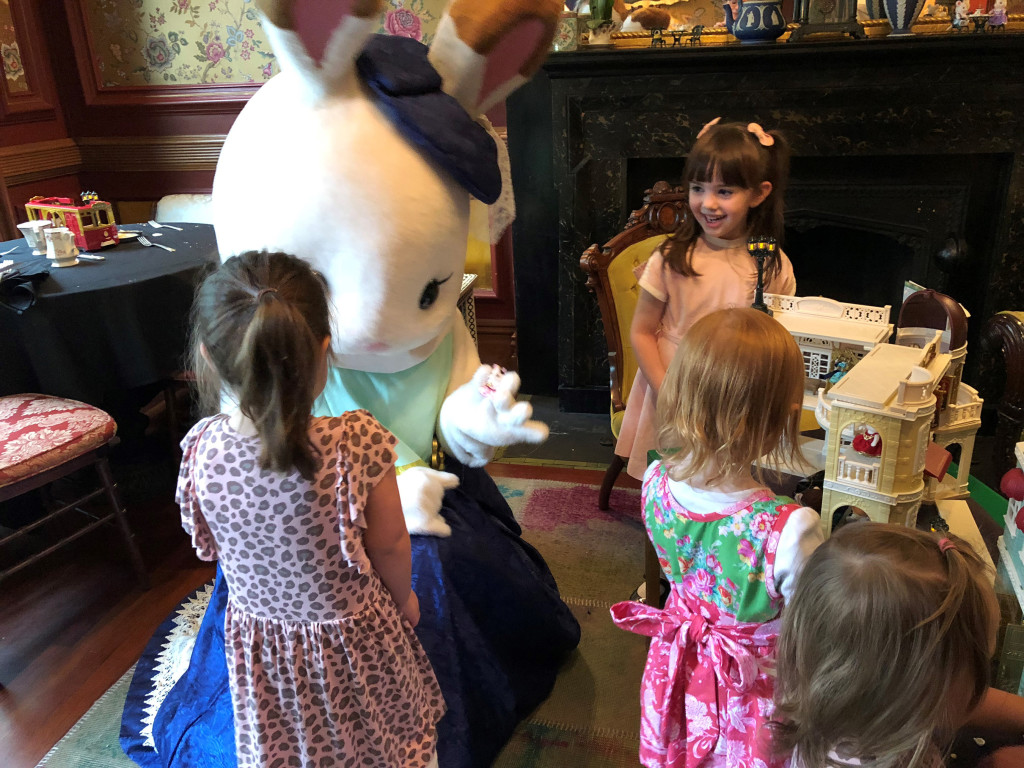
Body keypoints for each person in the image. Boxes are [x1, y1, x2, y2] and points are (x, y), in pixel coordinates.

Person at [176, 251, 445, 768]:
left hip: (263, 652)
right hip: (357, 644)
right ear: (324, 351)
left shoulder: (199, 450)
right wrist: (405, 600)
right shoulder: (356, 442)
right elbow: (389, 543)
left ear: (207, 358)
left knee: (290, 750)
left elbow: (213, 548)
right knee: (389, 743)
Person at [611, 307, 824, 768]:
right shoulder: (790, 528)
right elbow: (816, 626)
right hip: (752, 691)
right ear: (782, 421)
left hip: (679, 665)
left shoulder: (653, 480)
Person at [614, 117, 797, 481]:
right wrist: (666, 389)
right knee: (670, 481)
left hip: (735, 392)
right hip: (673, 383)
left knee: (724, 479)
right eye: (698, 188)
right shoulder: (671, 258)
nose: (707, 203)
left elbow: (777, 340)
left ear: (759, 194)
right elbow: (641, 331)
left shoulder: (772, 265)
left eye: (724, 192)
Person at [773, 522, 1024, 768]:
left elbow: (959, 702)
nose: (979, 690)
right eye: (976, 674)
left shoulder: (846, 711)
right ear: (921, 692)